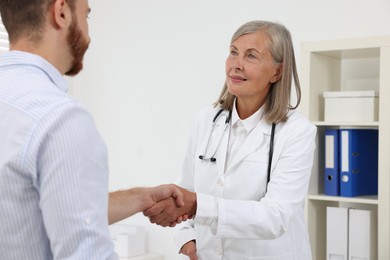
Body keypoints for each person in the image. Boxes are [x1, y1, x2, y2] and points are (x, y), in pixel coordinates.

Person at [0, 0, 184, 259]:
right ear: (61, 12)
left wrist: (141, 197)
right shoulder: (61, 120)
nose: (88, 34)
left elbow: (43, 209)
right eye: (86, 16)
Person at [144, 20, 317, 260]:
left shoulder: (298, 132)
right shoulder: (206, 120)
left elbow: (275, 216)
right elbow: (186, 191)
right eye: (233, 52)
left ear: (277, 72)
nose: (236, 64)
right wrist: (187, 240)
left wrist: (198, 206)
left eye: (251, 56)